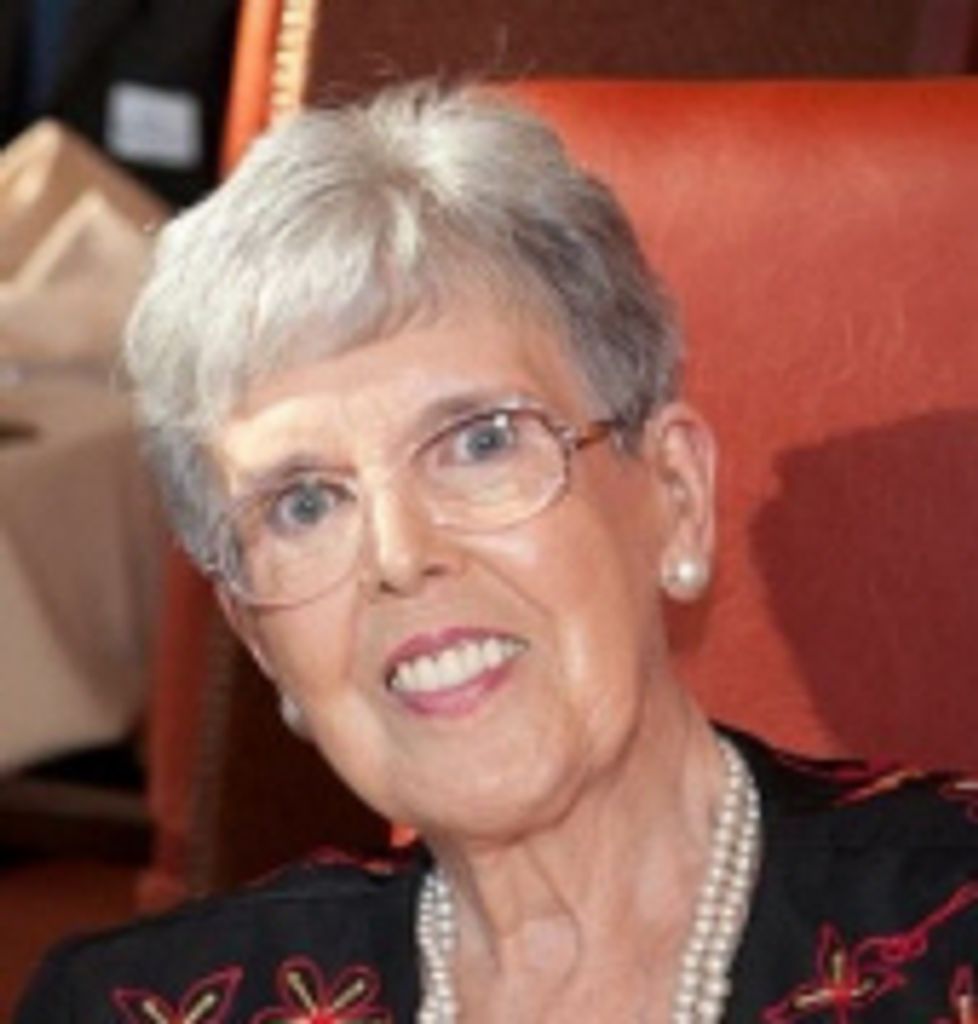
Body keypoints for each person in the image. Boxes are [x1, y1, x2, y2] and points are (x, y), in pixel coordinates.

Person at [16, 79, 977, 1024]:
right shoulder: (135, 1008)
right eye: (304, 504)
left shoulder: (952, 929)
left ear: (675, 496)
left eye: (480, 442)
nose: (399, 554)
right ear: (260, 638)